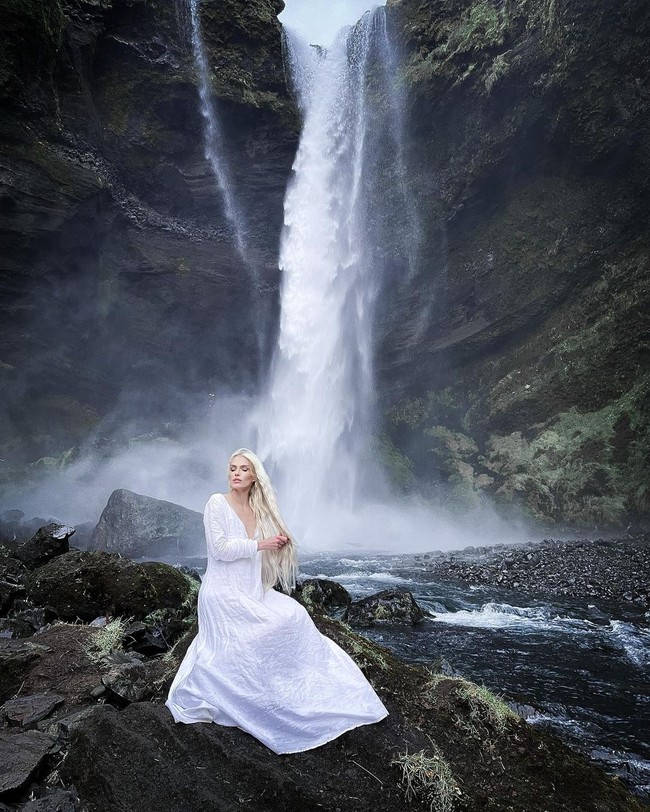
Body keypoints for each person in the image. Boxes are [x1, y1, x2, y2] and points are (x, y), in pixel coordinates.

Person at [165, 448, 388, 754]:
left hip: (252, 591)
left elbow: (262, 554)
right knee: (260, 634)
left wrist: (278, 547)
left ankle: (303, 692)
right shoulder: (217, 503)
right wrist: (261, 543)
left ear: (254, 475)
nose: (236, 473)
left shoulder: (259, 512)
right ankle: (266, 697)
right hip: (223, 594)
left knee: (294, 615)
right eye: (232, 468)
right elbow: (219, 550)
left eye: (243, 468)